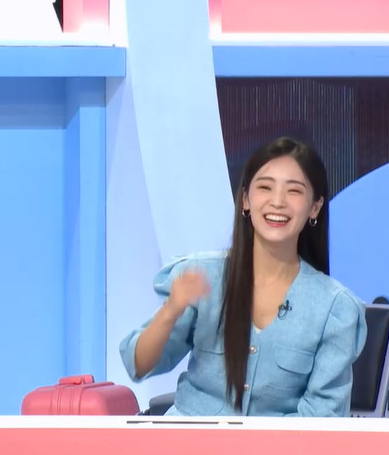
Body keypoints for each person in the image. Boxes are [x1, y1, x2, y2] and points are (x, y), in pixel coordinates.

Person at [119, 136, 367, 416]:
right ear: (246, 200)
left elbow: (323, 415)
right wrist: (171, 310)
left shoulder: (334, 307)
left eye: (294, 191)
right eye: (265, 187)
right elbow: (138, 365)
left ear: (315, 207)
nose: (277, 202)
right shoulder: (203, 275)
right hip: (188, 435)